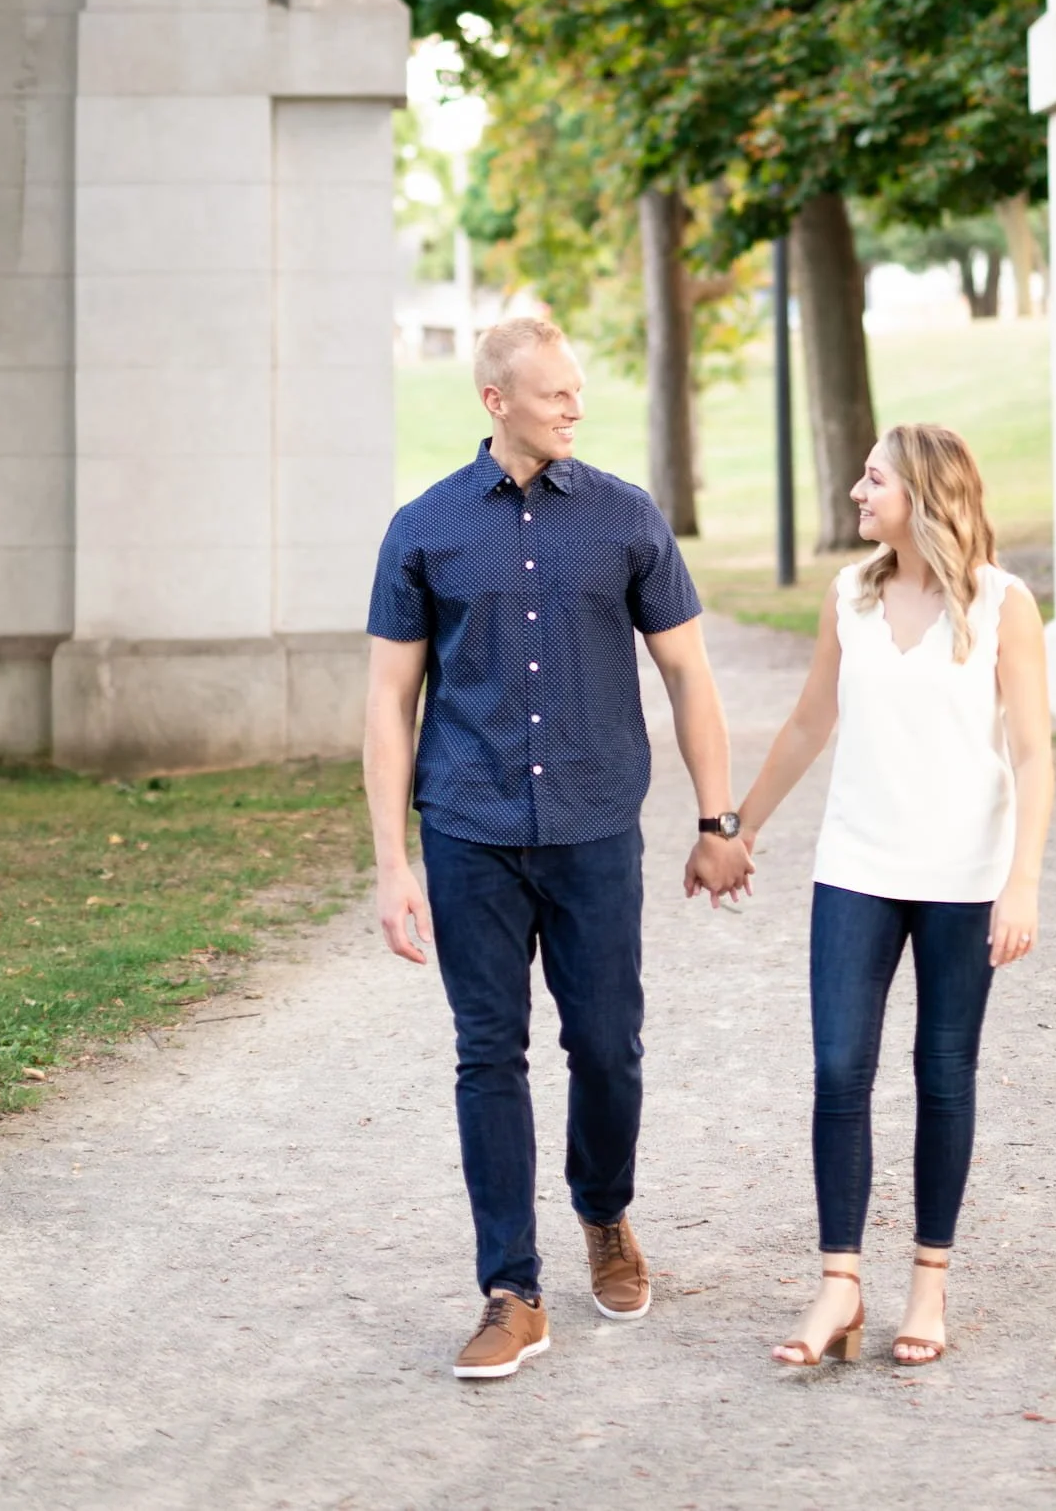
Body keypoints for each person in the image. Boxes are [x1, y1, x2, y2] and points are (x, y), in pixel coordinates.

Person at [363, 315, 753, 1381]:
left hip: (591, 832)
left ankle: (605, 1212)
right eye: (553, 395)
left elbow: (689, 676)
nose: (575, 408)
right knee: (488, 1053)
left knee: (609, 1045)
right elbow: (391, 702)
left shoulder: (625, 519)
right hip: (469, 832)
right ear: (496, 402)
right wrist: (394, 862)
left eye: (579, 391)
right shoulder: (424, 528)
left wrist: (718, 821)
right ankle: (511, 1289)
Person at [737, 422, 1054, 1368]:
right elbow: (808, 722)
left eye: (872, 479)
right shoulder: (850, 593)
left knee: (941, 1074)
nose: (855, 493)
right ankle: (839, 1286)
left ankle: (927, 1285)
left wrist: (1021, 880)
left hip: (964, 880)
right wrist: (738, 827)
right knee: (839, 1070)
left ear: (922, 492)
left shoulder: (1004, 604)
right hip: (856, 869)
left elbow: (1035, 754)